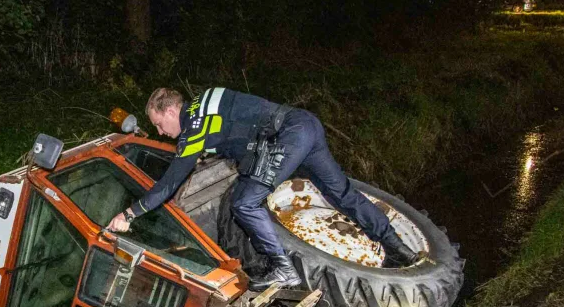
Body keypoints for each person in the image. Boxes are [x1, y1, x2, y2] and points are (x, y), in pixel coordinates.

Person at [108, 87, 422, 290]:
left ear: (172, 111)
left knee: (244, 202)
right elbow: (236, 125)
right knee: (341, 193)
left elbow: (170, 183)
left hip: (288, 135)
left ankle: (284, 269)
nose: (162, 133)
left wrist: (130, 213)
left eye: (161, 124)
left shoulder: (194, 127)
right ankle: (398, 248)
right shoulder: (205, 101)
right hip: (305, 124)